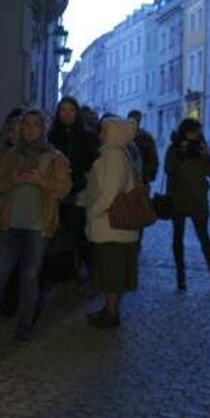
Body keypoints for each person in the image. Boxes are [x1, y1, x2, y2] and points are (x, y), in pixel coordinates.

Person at [0, 110, 71, 341]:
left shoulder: (56, 158)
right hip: (9, 224)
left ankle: (24, 325)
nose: (30, 129)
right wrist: (12, 180)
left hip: (38, 227)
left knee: (29, 277)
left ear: (44, 128)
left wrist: (40, 181)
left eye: (36, 125)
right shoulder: (11, 155)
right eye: (26, 124)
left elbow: (62, 190)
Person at [84, 117, 141, 327]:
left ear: (115, 133)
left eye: (104, 131)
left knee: (111, 271)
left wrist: (93, 213)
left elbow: (110, 191)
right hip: (113, 225)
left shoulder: (114, 155)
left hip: (110, 224)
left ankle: (111, 313)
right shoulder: (118, 153)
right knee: (111, 271)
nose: (100, 135)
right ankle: (109, 309)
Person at [164, 119, 210, 291]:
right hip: (178, 199)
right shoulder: (174, 148)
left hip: (198, 200)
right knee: (178, 238)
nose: (196, 135)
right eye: (193, 132)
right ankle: (180, 277)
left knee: (204, 238)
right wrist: (181, 155)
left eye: (198, 132)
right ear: (184, 132)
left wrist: (207, 157)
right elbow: (169, 170)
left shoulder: (201, 148)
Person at [48, 97, 99, 292]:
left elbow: (96, 161)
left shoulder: (87, 135)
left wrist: (86, 177)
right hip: (58, 192)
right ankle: (68, 272)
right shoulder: (52, 135)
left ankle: (90, 273)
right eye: (63, 110)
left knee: (81, 235)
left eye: (71, 110)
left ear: (77, 113)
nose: (67, 114)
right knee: (63, 234)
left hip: (81, 193)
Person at [128, 109, 159, 186]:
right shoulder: (124, 137)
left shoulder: (146, 137)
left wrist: (147, 177)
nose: (135, 122)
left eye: (137, 120)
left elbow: (153, 159)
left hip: (142, 179)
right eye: (133, 120)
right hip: (127, 179)